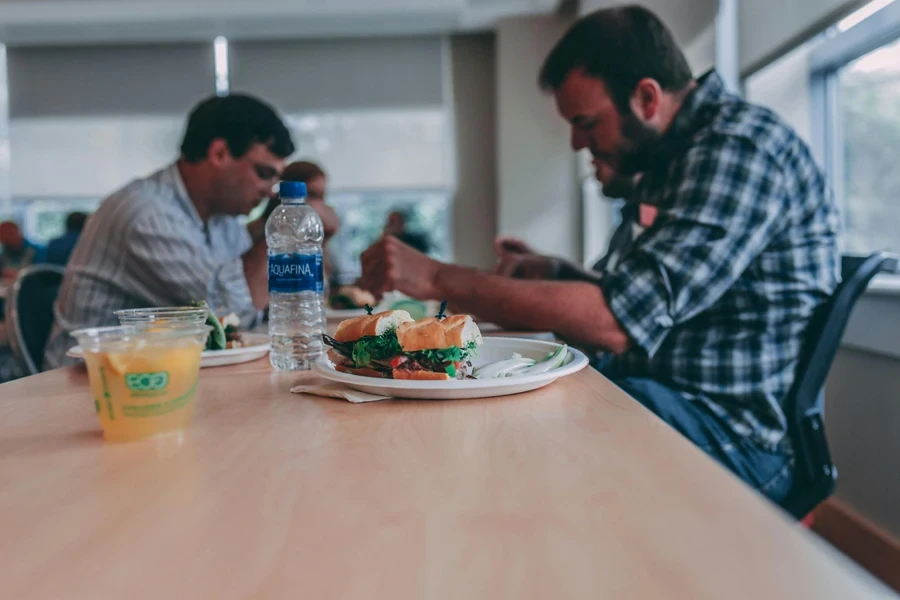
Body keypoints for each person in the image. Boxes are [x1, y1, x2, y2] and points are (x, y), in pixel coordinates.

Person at [358, 5, 840, 502]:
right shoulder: (673, 158)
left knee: (506, 437)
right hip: (661, 392)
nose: (575, 142)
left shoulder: (738, 150)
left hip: (730, 433)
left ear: (647, 97)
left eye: (586, 123)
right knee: (498, 405)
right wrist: (556, 272)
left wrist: (440, 279)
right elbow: (631, 293)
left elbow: (617, 322)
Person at [44, 93, 295, 368]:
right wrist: (287, 228)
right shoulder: (144, 213)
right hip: (86, 384)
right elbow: (228, 314)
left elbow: (250, 317)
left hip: (153, 373)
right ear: (219, 153)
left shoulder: (221, 220)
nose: (270, 190)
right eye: (263, 173)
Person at [259, 160, 340, 281]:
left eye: (321, 196)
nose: (318, 205)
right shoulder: (256, 234)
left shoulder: (314, 236)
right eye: (311, 195)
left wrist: (324, 240)